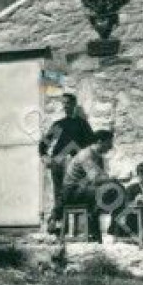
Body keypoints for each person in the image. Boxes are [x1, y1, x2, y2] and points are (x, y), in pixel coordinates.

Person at [38, 93, 95, 235]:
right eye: (63, 103)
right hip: (59, 161)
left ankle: (78, 228)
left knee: (74, 191)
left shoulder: (82, 124)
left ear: (74, 105)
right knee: (59, 192)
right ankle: (57, 224)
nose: (65, 106)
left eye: (68, 103)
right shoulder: (59, 124)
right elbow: (44, 143)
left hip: (76, 163)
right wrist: (45, 156)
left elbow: (91, 144)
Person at [62, 129, 125, 242]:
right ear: (100, 141)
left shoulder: (98, 156)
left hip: (86, 189)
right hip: (72, 192)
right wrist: (115, 178)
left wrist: (114, 181)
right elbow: (96, 179)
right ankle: (95, 228)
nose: (111, 147)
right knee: (110, 189)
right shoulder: (86, 154)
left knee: (118, 189)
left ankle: (107, 228)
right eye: (109, 142)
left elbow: (101, 178)